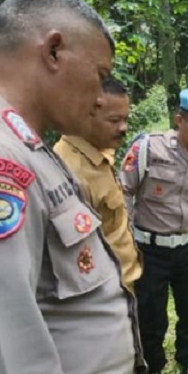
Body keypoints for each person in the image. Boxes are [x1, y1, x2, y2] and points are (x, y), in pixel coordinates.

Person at [0, 0, 142, 374]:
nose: (100, 99)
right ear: (54, 51)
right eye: (99, 76)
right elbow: (7, 367)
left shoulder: (24, 145)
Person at [120, 89, 188, 374]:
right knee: (151, 313)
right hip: (149, 248)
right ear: (180, 120)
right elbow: (124, 191)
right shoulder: (148, 147)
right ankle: (153, 371)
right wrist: (125, 242)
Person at [54, 76, 142, 292]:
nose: (124, 127)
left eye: (125, 119)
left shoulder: (99, 150)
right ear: (85, 114)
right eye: (114, 120)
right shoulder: (71, 172)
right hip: (104, 293)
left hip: (125, 283)